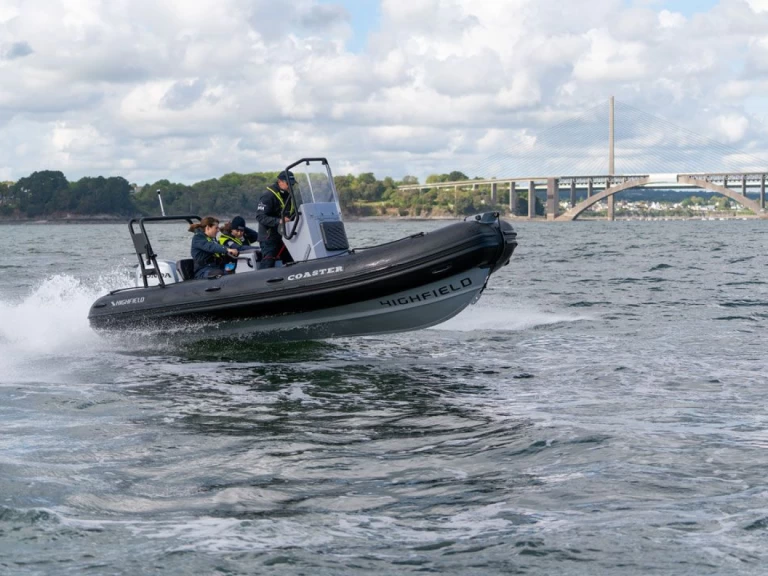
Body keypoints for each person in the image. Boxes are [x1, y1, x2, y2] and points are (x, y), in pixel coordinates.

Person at [255, 170, 296, 269]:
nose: (291, 186)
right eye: (289, 184)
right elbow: (260, 216)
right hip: (269, 238)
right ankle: (262, 280)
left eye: (293, 184)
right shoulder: (268, 196)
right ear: (280, 182)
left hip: (284, 236)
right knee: (268, 262)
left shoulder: (288, 195)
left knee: (291, 260)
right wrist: (279, 221)